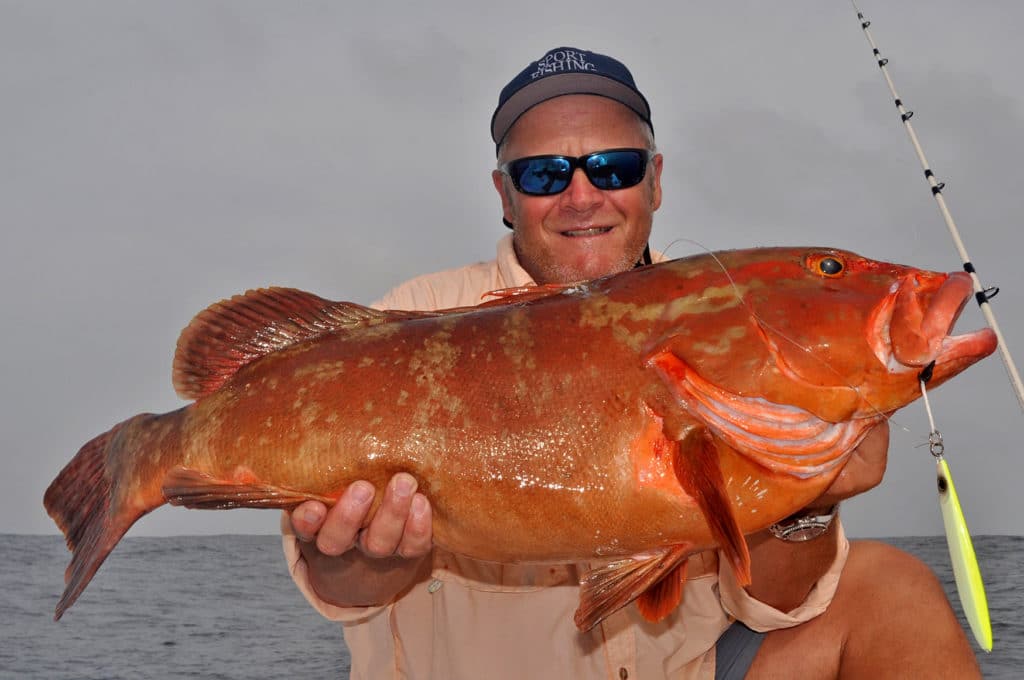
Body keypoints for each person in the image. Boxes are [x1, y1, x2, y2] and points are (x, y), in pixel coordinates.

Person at [282, 47, 980, 678]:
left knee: (892, 589)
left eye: (614, 167)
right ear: (504, 196)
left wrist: (808, 509)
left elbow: (778, 605)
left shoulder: (713, 311)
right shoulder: (412, 320)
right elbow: (338, 590)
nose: (582, 196)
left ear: (655, 181)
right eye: (544, 174)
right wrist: (362, 562)